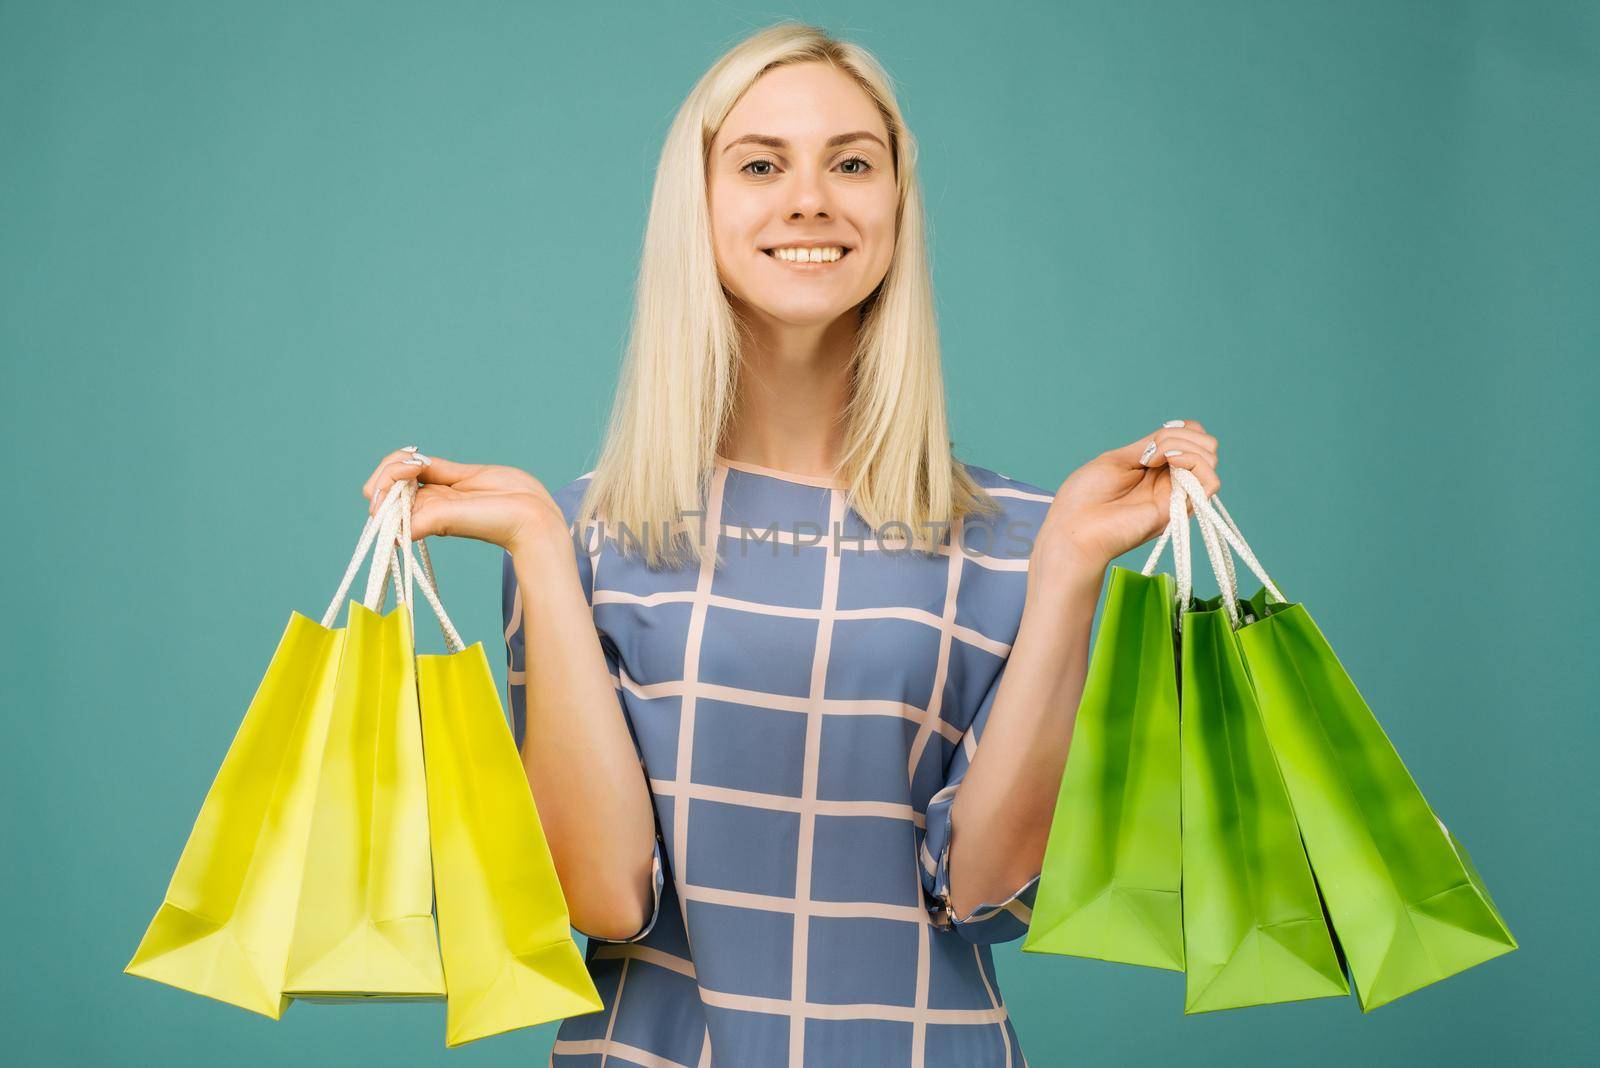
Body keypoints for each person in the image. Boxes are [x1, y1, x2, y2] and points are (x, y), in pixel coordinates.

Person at [360, 21, 1221, 1068]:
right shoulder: (587, 534)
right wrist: (539, 546)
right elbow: (603, 900)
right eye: (761, 164)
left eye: (852, 164)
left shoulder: (1019, 540)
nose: (810, 199)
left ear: (896, 206)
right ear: (699, 206)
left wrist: (1077, 570)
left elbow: (988, 888)